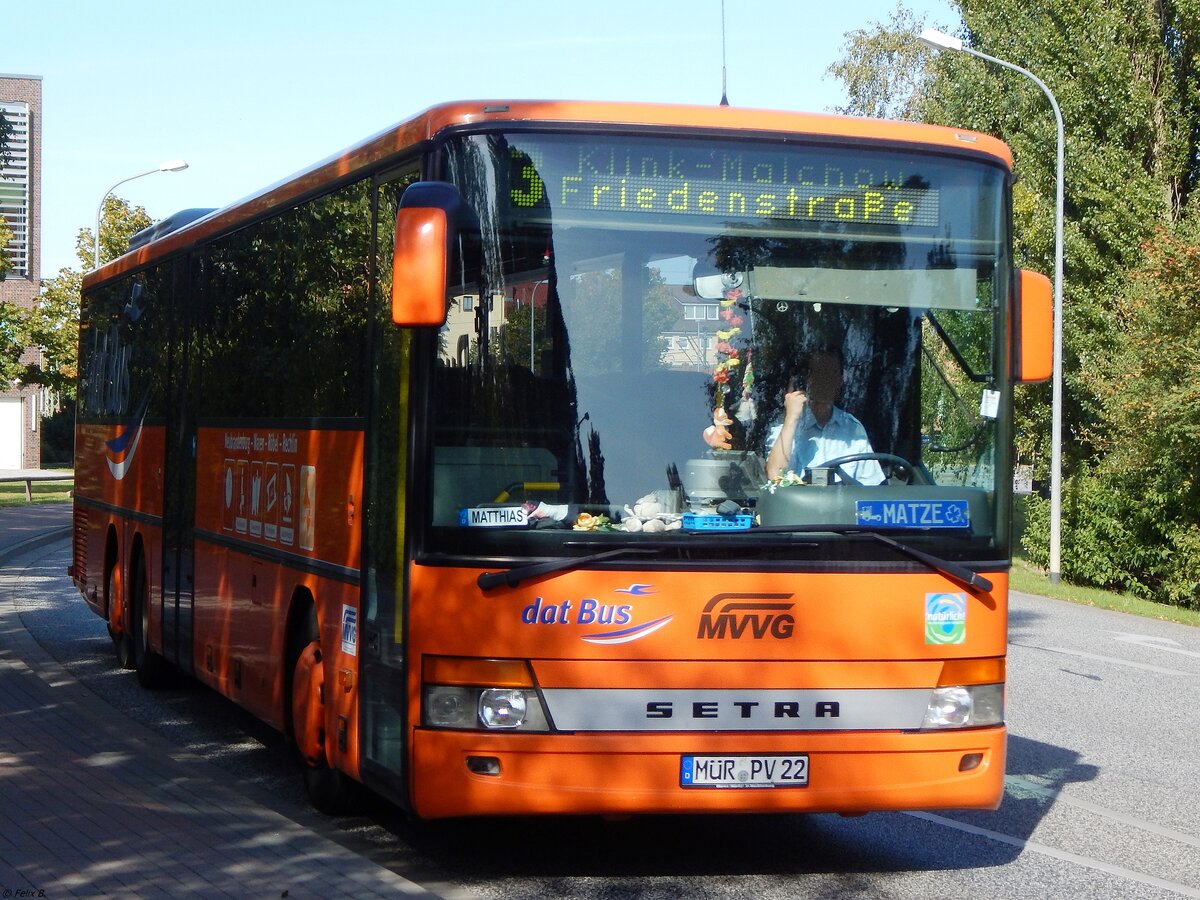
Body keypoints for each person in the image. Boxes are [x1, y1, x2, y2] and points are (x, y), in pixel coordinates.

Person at [764, 349, 885, 485]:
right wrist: (791, 418)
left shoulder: (853, 428)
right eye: (819, 373)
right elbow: (774, 475)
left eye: (831, 373)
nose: (824, 380)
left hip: (844, 505)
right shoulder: (785, 425)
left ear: (840, 381)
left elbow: (872, 488)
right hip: (796, 505)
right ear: (807, 379)